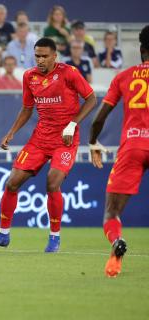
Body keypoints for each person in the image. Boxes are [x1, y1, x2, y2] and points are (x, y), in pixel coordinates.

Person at [0, 38, 96, 253]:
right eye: (37, 56)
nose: (40, 60)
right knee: (12, 183)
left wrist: (72, 124)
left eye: (44, 56)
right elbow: (27, 108)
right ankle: (3, 235)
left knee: (52, 183)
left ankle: (54, 237)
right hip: (40, 139)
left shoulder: (69, 72)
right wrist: (11, 132)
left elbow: (91, 99)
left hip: (65, 139)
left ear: (54, 56)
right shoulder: (29, 76)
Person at [88, 25, 149, 278]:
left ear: (141, 49)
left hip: (133, 146)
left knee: (112, 212)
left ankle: (116, 246)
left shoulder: (124, 77)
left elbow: (99, 119)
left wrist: (93, 143)